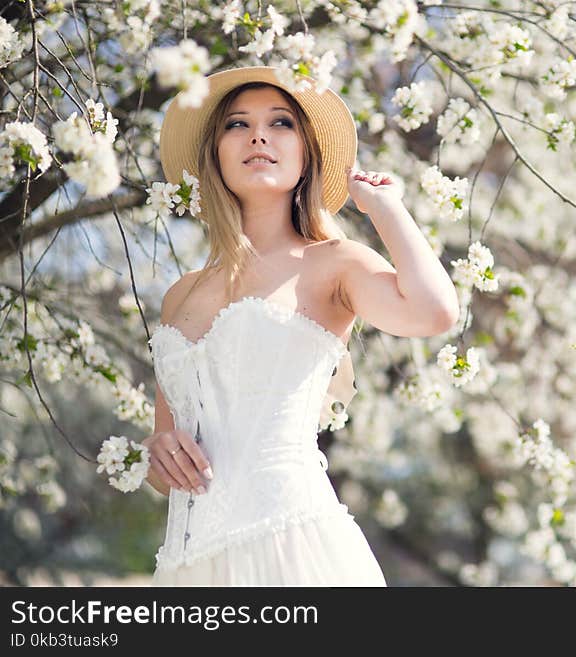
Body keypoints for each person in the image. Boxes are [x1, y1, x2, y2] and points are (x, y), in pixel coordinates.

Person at [143, 65, 459, 586]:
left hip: (293, 551)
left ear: (305, 153)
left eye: (281, 123)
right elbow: (167, 462)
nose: (258, 135)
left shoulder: (333, 263)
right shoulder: (179, 295)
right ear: (215, 154)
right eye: (237, 124)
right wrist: (159, 453)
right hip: (189, 569)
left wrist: (385, 208)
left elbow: (434, 312)